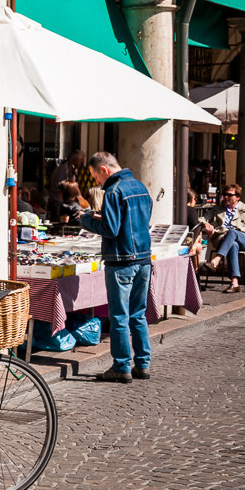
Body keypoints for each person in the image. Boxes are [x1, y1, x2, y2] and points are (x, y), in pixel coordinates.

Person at [77, 152, 153, 384]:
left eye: (95, 177)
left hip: (121, 260)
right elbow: (136, 221)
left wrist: (86, 220)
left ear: (104, 170)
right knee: (138, 315)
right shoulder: (140, 187)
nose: (97, 182)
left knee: (119, 316)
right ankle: (143, 364)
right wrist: (103, 217)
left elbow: (111, 229)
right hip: (143, 258)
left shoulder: (113, 191)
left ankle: (121, 367)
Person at [202, 183, 245, 293]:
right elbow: (202, 219)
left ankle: (217, 259)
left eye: (229, 195)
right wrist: (207, 224)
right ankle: (235, 283)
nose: (226, 197)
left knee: (232, 232)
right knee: (233, 244)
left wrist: (237, 229)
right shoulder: (217, 209)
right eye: (224, 194)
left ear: (238, 197)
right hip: (222, 240)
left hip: (244, 240)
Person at [48, 151, 86, 219]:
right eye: (81, 161)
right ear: (75, 159)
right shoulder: (64, 170)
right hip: (58, 201)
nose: (81, 163)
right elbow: (61, 186)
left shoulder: (69, 169)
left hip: (60, 202)